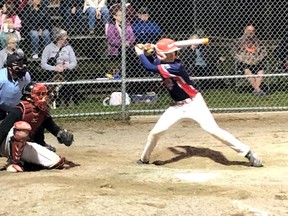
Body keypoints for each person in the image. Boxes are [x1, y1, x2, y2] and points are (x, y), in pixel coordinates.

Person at [134, 38, 262, 167]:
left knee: (213, 130)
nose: (173, 55)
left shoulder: (175, 66)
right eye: (169, 53)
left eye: (174, 52)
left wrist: (140, 52)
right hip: (177, 107)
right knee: (156, 132)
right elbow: (153, 61)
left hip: (194, 103)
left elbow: (149, 66)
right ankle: (144, 159)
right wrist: (148, 51)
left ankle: (248, 154)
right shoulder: (162, 62)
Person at [0, 82, 74, 172]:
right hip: (5, 144)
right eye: (39, 94)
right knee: (22, 128)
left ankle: (25, 162)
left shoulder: (42, 112)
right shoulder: (19, 110)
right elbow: (2, 131)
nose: (43, 97)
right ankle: (13, 162)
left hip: (24, 145)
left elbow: (53, 128)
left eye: (44, 94)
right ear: (28, 97)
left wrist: (62, 134)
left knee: (56, 162)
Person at [41, 28, 79, 107]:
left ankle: (67, 100)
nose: (65, 40)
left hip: (66, 70)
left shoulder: (68, 48)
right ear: (57, 38)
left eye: (65, 38)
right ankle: (56, 100)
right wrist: (54, 68)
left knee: (69, 76)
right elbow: (43, 64)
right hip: (54, 70)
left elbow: (74, 62)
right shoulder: (48, 48)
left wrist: (67, 66)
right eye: (62, 38)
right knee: (52, 65)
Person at [233, 25, 268, 96]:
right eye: (249, 31)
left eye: (252, 31)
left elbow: (264, 52)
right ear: (245, 31)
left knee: (261, 71)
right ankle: (258, 90)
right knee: (247, 71)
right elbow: (234, 53)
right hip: (244, 62)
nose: (251, 32)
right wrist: (243, 59)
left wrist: (258, 59)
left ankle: (256, 90)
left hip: (256, 62)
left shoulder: (258, 42)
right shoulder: (239, 41)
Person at [107, 3, 135, 77]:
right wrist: (122, 43)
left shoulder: (127, 25)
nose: (122, 16)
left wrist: (128, 42)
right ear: (114, 16)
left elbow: (132, 37)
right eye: (119, 15)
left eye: (122, 14)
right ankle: (128, 74)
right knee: (128, 53)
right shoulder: (111, 26)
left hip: (128, 48)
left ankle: (128, 74)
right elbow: (111, 40)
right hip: (116, 49)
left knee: (128, 52)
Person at [0, 51, 30, 120]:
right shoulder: (1, 77)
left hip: (18, 109)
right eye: (19, 65)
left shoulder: (26, 76)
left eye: (23, 64)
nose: (22, 67)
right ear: (9, 67)